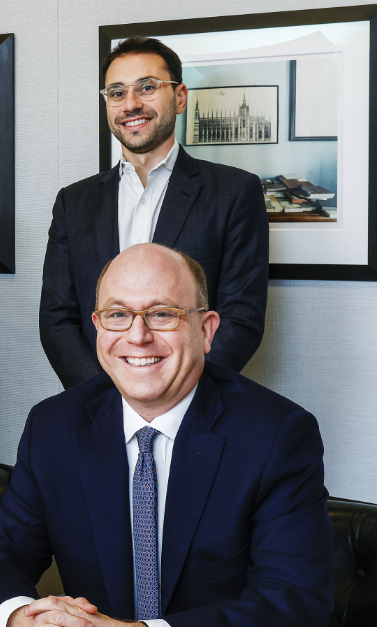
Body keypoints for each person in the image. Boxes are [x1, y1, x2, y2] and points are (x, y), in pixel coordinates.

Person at [0, 243, 347, 627]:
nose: (137, 336)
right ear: (98, 328)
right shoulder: (55, 426)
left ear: (207, 329)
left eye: (162, 314)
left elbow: (294, 605)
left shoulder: (277, 434)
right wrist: (23, 622)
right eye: (118, 315)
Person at [39, 36, 269, 390]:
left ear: (179, 97)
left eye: (146, 87)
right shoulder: (74, 202)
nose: (131, 104)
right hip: (95, 408)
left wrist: (175, 395)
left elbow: (242, 318)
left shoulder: (234, 192)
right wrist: (104, 399)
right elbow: (57, 320)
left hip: (196, 405)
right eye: (116, 93)